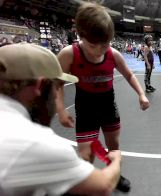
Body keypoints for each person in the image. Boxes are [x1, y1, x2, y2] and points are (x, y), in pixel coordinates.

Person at [0, 43, 122, 196]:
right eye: (56, 87)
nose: (57, 95)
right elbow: (103, 185)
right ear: (40, 85)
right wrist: (116, 160)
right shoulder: (35, 142)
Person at [55, 3, 150, 192]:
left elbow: (129, 75)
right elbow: (57, 84)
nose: (99, 50)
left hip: (107, 105)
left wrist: (141, 94)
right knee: (86, 155)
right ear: (80, 35)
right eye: (92, 45)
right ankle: (87, 182)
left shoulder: (112, 54)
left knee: (113, 146)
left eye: (105, 44)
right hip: (85, 106)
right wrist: (60, 111)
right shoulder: (69, 54)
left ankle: (114, 175)